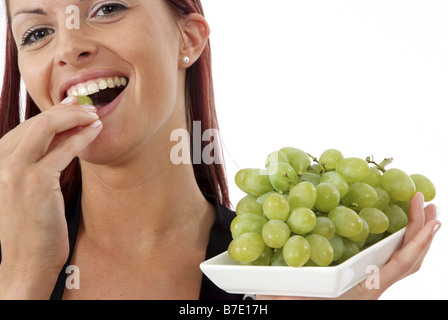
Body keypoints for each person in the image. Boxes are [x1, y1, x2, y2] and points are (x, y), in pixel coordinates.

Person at [0, 0, 441, 300]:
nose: (69, 47)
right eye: (37, 32)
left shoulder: (278, 269)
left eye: (109, 7)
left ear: (188, 39)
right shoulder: (12, 263)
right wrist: (24, 279)